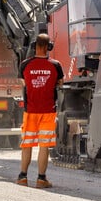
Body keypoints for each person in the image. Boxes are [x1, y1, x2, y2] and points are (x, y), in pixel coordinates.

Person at [17, 33, 63, 188]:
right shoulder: (56, 65)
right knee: (44, 145)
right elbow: (60, 83)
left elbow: (23, 84)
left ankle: (23, 177)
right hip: (48, 112)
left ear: (34, 46)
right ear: (49, 47)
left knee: (27, 144)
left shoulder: (24, 64)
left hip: (30, 111)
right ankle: (41, 179)